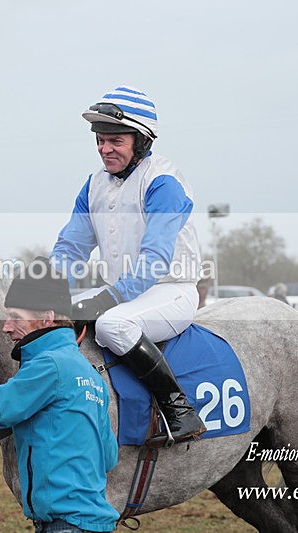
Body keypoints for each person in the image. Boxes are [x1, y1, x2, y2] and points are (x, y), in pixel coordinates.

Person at [50, 85, 205, 442]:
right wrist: (43, 290)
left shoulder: (164, 182)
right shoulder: (93, 185)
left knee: (111, 325)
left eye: (115, 141)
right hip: (123, 292)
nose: (105, 149)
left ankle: (178, 409)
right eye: (100, 140)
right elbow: (71, 246)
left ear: (142, 141)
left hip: (171, 291)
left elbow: (155, 259)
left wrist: (108, 299)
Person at [0, 257, 119, 533]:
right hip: (92, 523)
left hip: (64, 526)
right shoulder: (90, 375)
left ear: (46, 317)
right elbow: (108, 457)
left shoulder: (47, 367)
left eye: (15, 316)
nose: (5, 327)